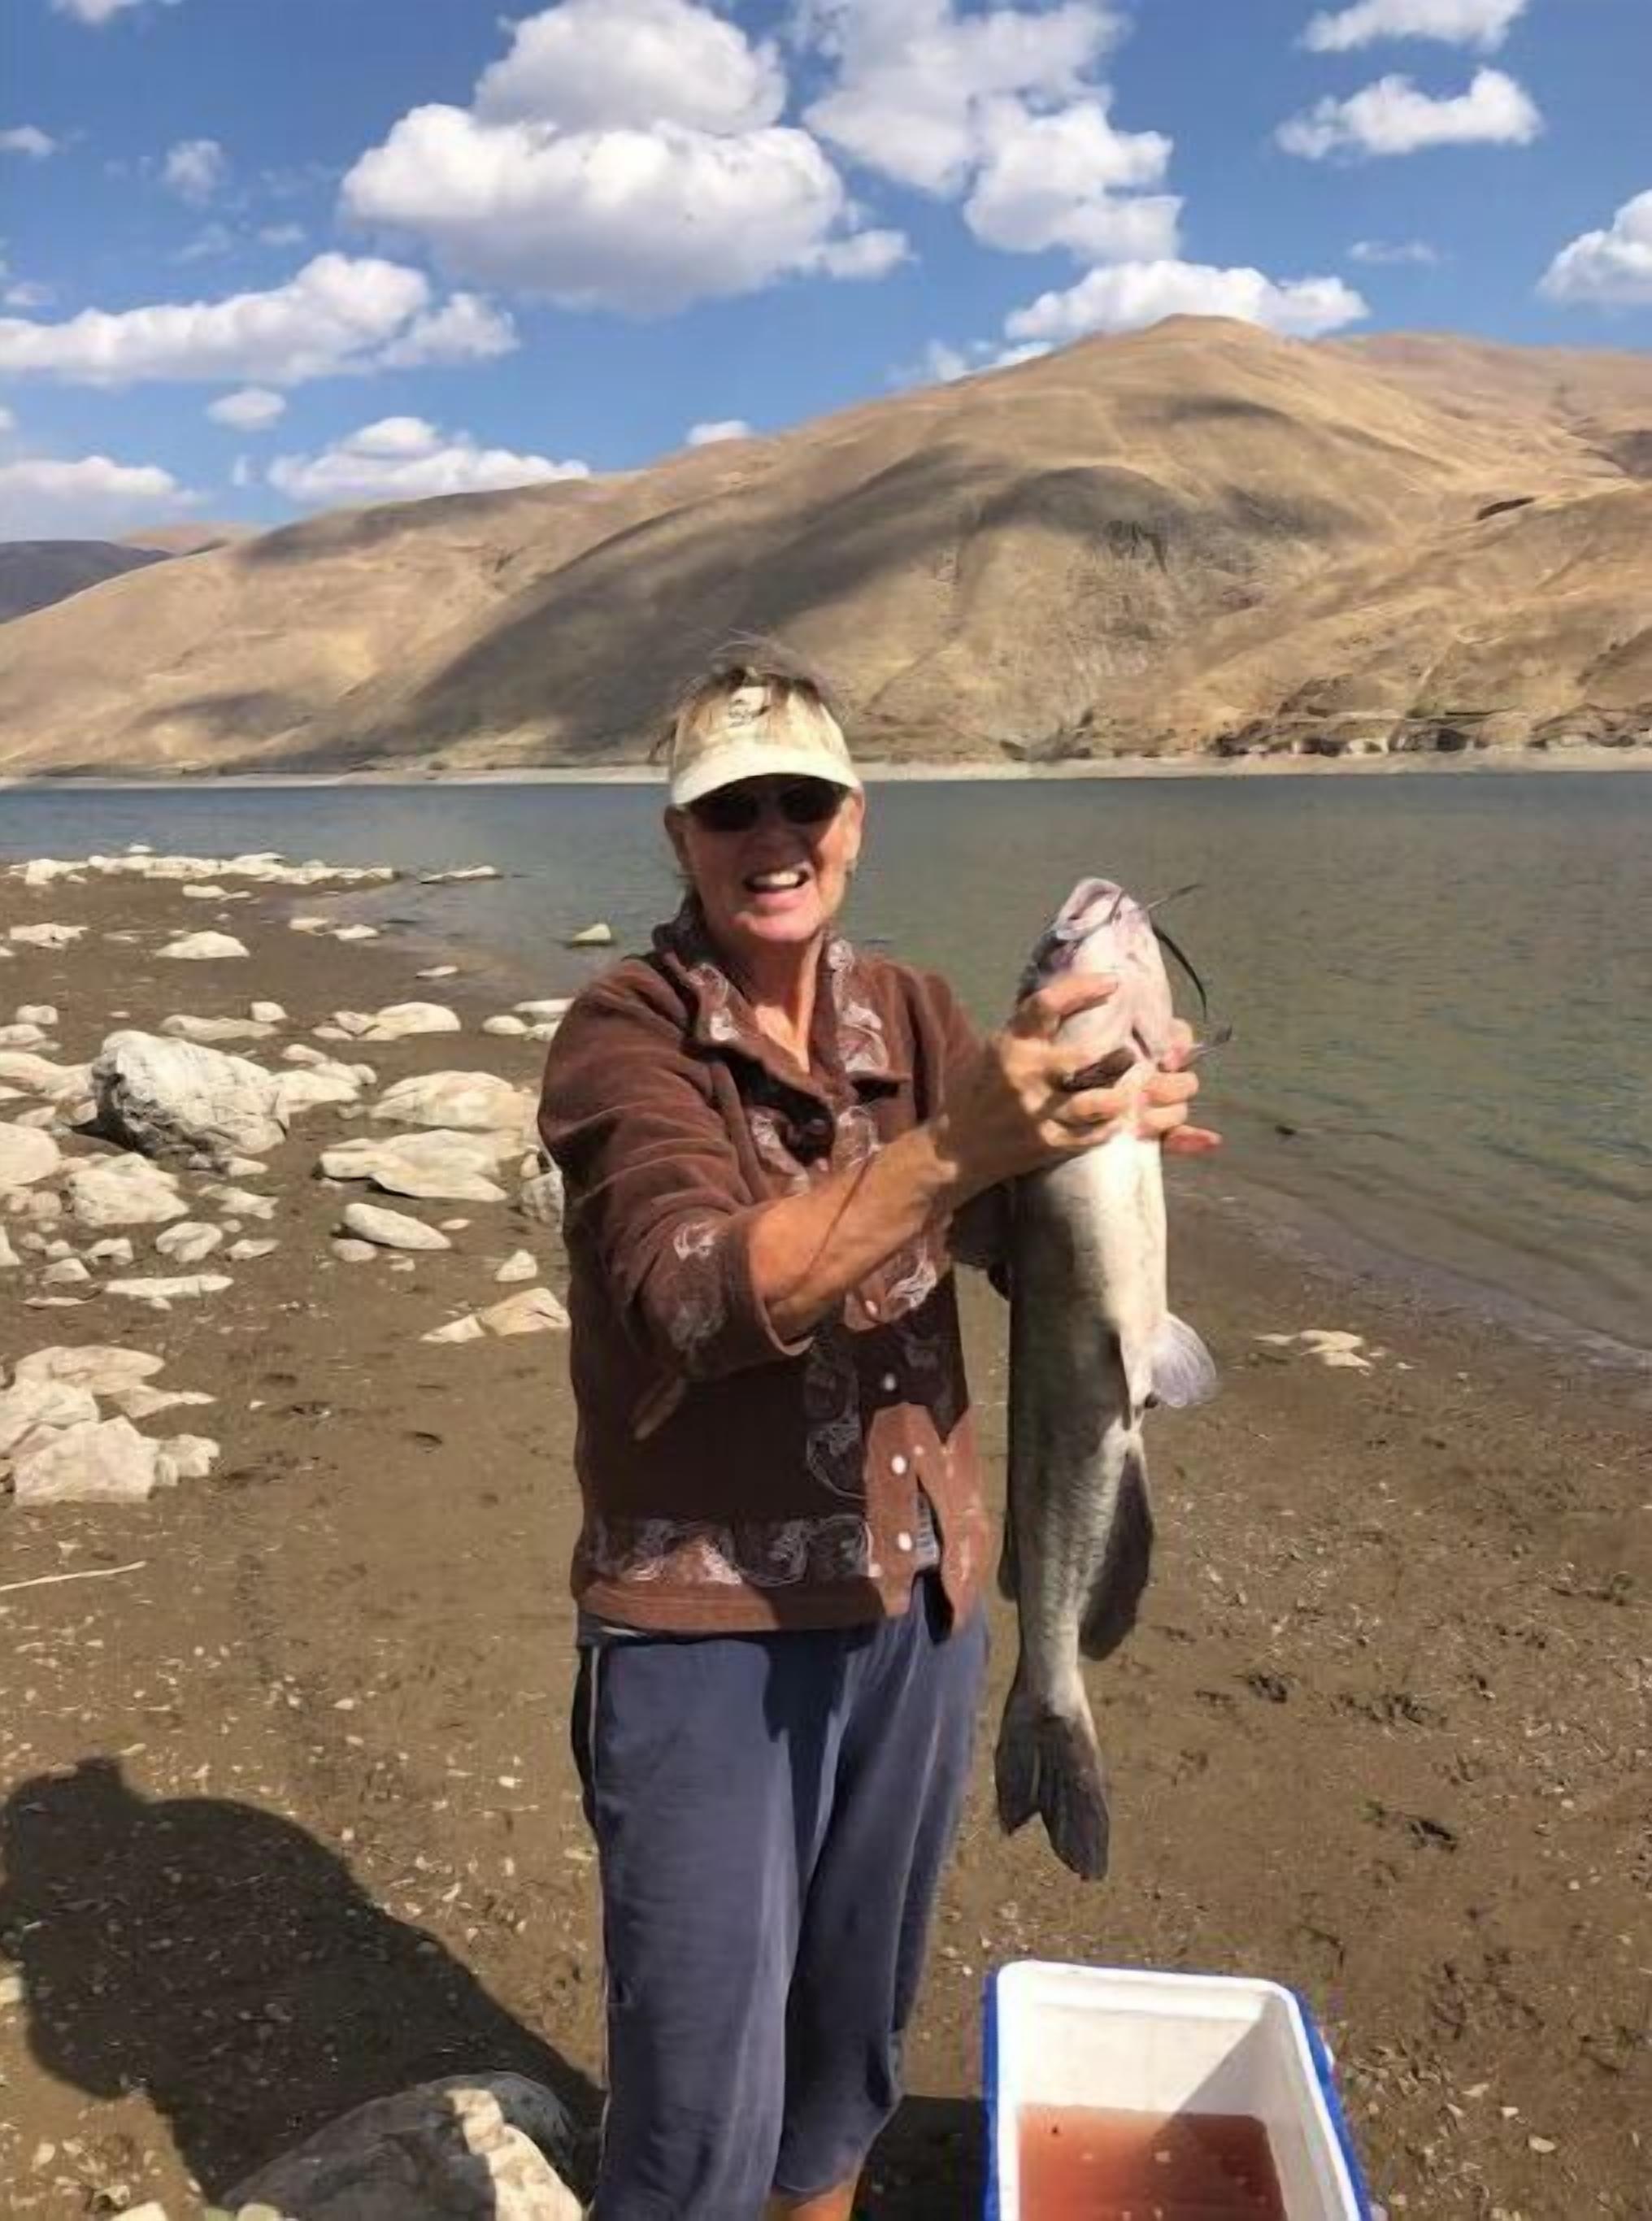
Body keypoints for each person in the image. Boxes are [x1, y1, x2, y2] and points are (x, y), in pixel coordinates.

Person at [537, 650, 1215, 2219]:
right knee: (698, 2086)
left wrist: (1094, 1138)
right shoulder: (623, 1034)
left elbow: (1002, 1230)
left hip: (919, 1606)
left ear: (857, 820)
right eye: (732, 808)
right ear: (679, 837)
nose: (773, 833)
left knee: (845, 2054)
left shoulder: (909, 1009)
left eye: (806, 800)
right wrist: (969, 1138)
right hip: (702, 1623)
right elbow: (690, 1295)